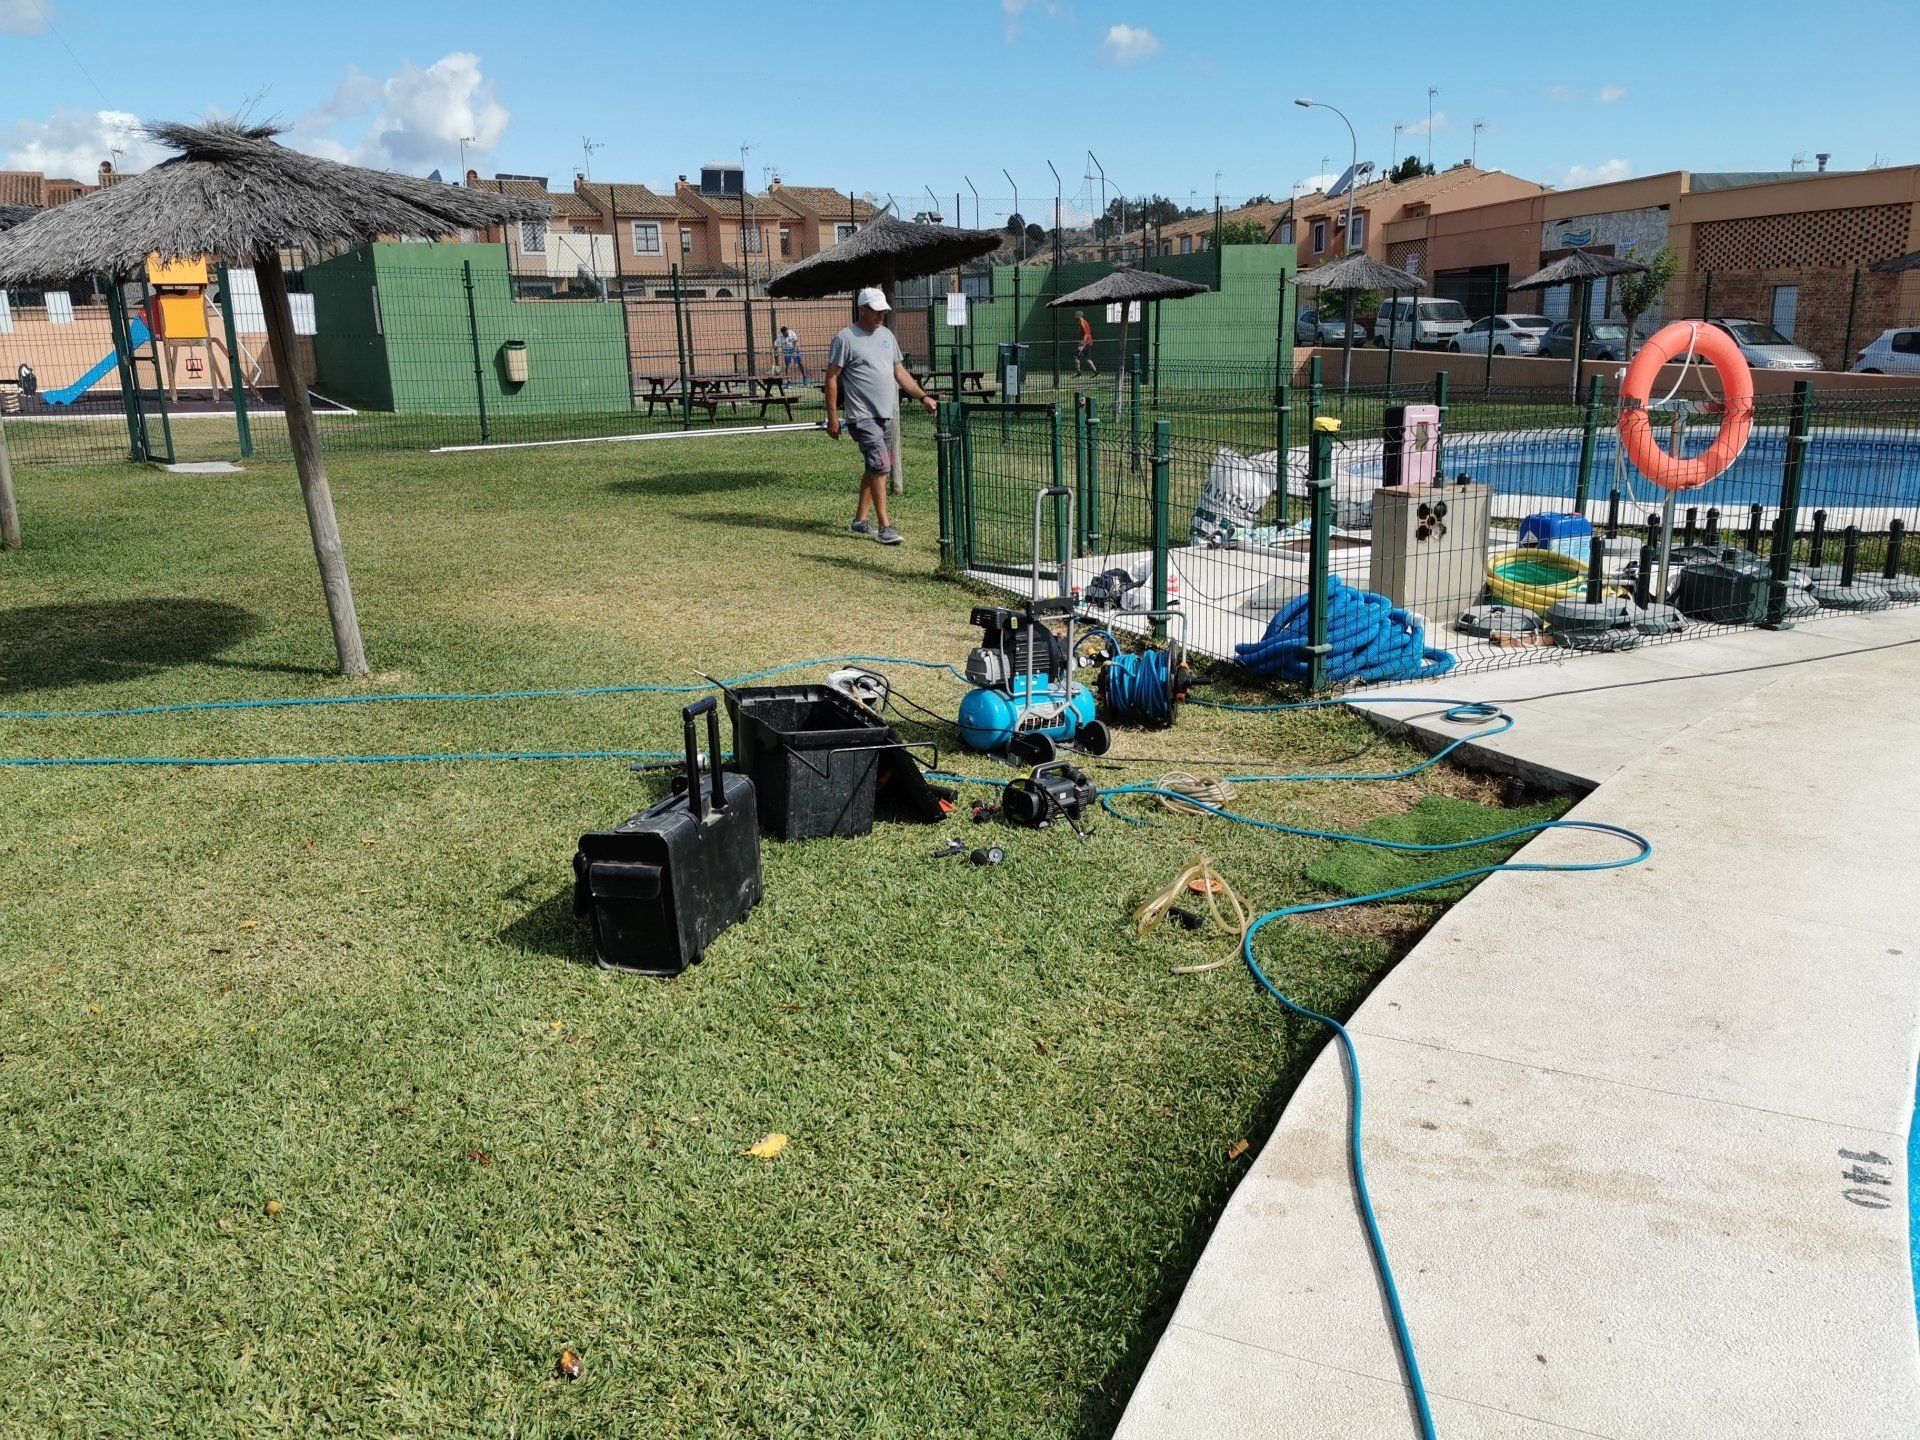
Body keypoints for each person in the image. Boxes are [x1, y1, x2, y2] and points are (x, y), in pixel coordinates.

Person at [825, 287, 936, 546]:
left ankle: (860, 520)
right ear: (862, 310)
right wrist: (832, 416)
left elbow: (900, 373)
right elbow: (831, 378)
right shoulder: (845, 338)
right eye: (876, 312)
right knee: (880, 465)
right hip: (862, 416)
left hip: (886, 414)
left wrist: (923, 396)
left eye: (883, 312)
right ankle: (885, 526)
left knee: (875, 467)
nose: (881, 316)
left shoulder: (887, 336)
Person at [1075, 310, 1097, 376]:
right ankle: (1095, 371)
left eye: (1076, 315)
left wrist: (1083, 343)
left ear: (1079, 315)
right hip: (1088, 342)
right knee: (1088, 359)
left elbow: (1086, 334)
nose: (1075, 316)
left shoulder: (1083, 322)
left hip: (1085, 342)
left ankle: (1079, 373)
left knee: (1076, 357)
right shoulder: (1082, 322)